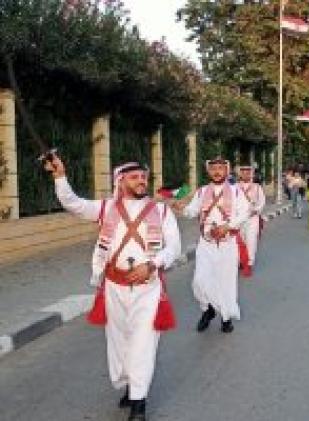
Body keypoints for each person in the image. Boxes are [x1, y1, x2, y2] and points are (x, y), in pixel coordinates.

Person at [47, 157, 180, 421]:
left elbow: (173, 248)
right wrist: (60, 176)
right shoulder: (106, 208)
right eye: (134, 177)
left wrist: (153, 264)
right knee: (119, 343)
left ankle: (139, 402)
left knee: (143, 342)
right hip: (114, 287)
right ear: (120, 181)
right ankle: (130, 384)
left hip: (147, 288)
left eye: (143, 177)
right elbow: (73, 204)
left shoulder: (162, 211)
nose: (141, 181)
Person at [173, 157, 250, 334]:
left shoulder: (236, 191)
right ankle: (207, 309)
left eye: (220, 168)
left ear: (226, 171)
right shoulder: (201, 192)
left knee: (226, 282)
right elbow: (192, 212)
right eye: (213, 168)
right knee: (199, 281)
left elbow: (245, 212)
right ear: (208, 171)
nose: (217, 172)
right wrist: (181, 207)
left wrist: (228, 226)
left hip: (227, 244)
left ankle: (225, 318)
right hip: (205, 244)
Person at [236, 165, 266, 277]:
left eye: (248, 172)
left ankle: (249, 263)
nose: (245, 174)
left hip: (252, 218)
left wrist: (256, 210)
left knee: (251, 240)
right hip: (238, 219)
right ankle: (240, 261)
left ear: (251, 174)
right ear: (240, 174)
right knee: (239, 240)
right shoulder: (235, 187)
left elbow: (262, 202)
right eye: (243, 172)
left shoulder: (257, 187)